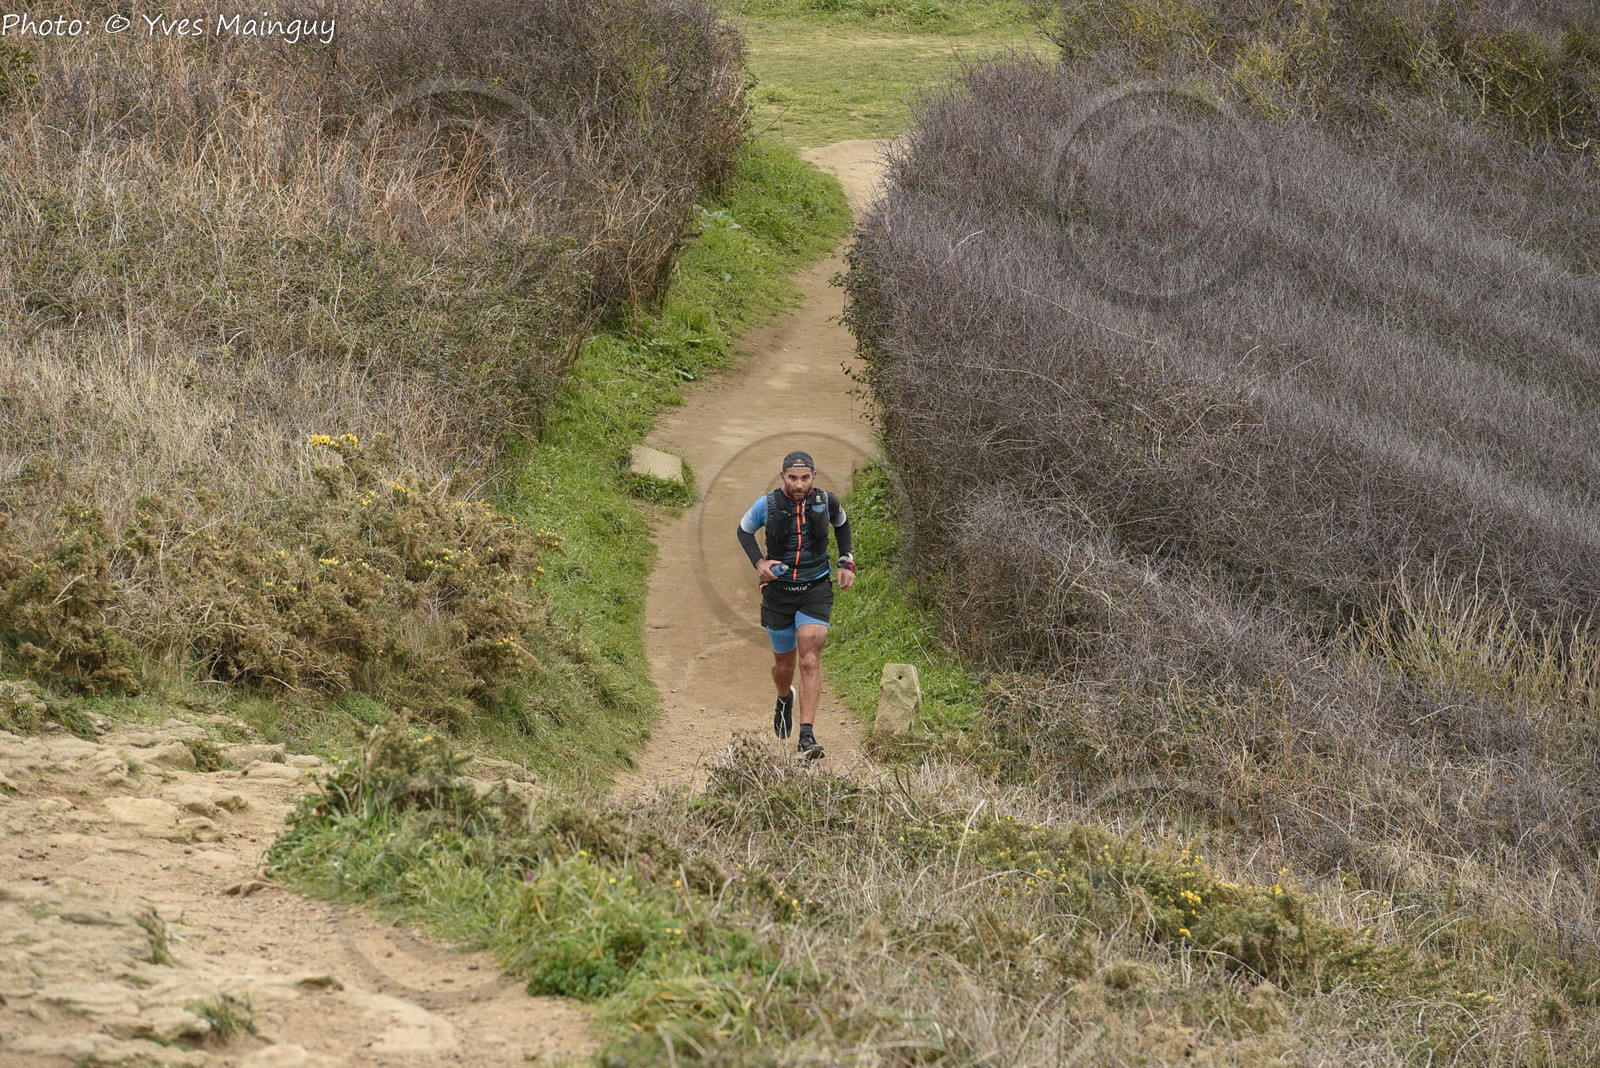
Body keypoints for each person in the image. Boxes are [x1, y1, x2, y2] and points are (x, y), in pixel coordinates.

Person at [736, 449, 855, 759]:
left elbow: (842, 525)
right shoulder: (767, 505)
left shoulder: (826, 501)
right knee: (785, 667)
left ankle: (806, 735)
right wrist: (759, 562)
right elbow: (743, 530)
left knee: (810, 657)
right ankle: (784, 698)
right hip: (778, 592)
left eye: (804, 478)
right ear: (783, 477)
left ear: (813, 476)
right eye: (793, 478)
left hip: (815, 588)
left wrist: (846, 561)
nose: (799, 484)